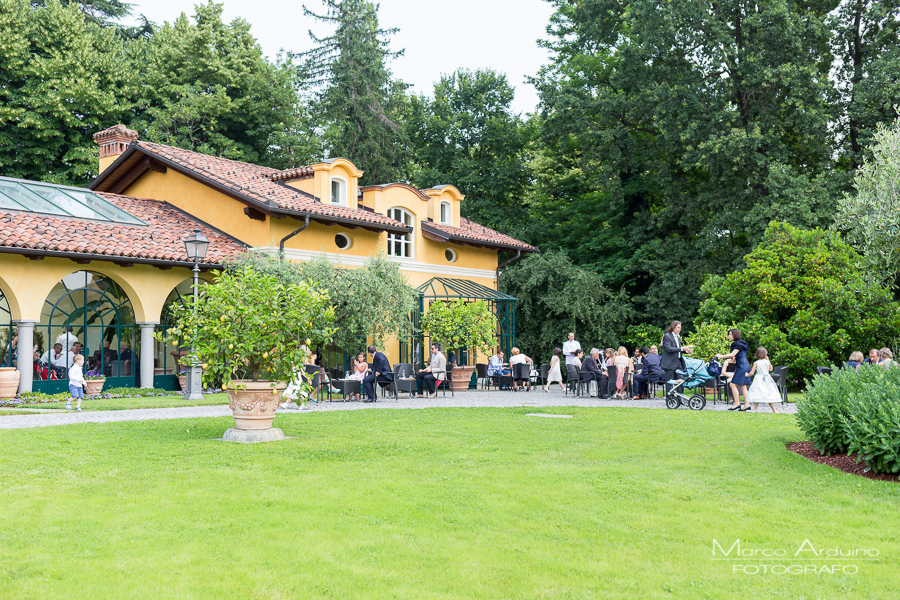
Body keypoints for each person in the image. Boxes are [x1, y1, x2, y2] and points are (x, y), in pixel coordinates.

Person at [716, 328, 751, 411]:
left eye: (730, 334)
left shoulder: (738, 344)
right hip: (745, 366)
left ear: (735, 335)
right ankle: (747, 404)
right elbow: (737, 355)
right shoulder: (741, 343)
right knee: (743, 386)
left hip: (742, 367)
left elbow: (733, 354)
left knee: (732, 384)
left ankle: (737, 404)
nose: (729, 336)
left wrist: (720, 356)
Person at [746, 347, 780, 413]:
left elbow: (752, 372)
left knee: (757, 392)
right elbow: (771, 369)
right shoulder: (767, 362)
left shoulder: (756, 363)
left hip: (759, 378)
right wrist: (768, 360)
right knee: (768, 393)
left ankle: (754, 409)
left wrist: (747, 375)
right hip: (767, 378)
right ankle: (774, 409)